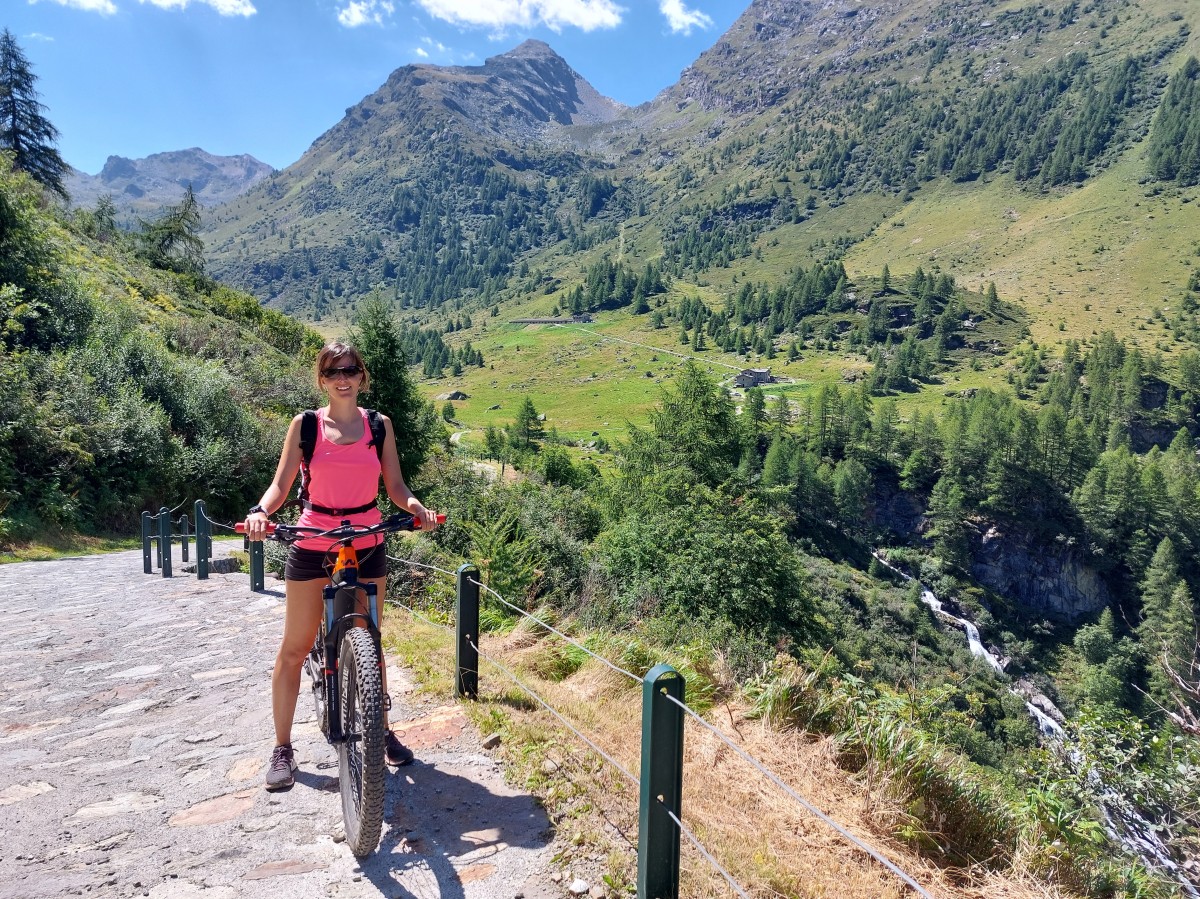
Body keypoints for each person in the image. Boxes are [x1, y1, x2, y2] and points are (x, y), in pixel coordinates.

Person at [244, 341, 440, 791]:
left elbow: (395, 484)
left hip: (368, 538)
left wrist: (416, 508)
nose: (343, 378)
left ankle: (377, 727)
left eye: (351, 370)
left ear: (362, 376)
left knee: (370, 638)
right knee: (294, 648)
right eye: (334, 371)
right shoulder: (306, 426)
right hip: (315, 539)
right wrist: (260, 511)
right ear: (322, 379)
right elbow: (280, 485)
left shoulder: (379, 425)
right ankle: (282, 748)